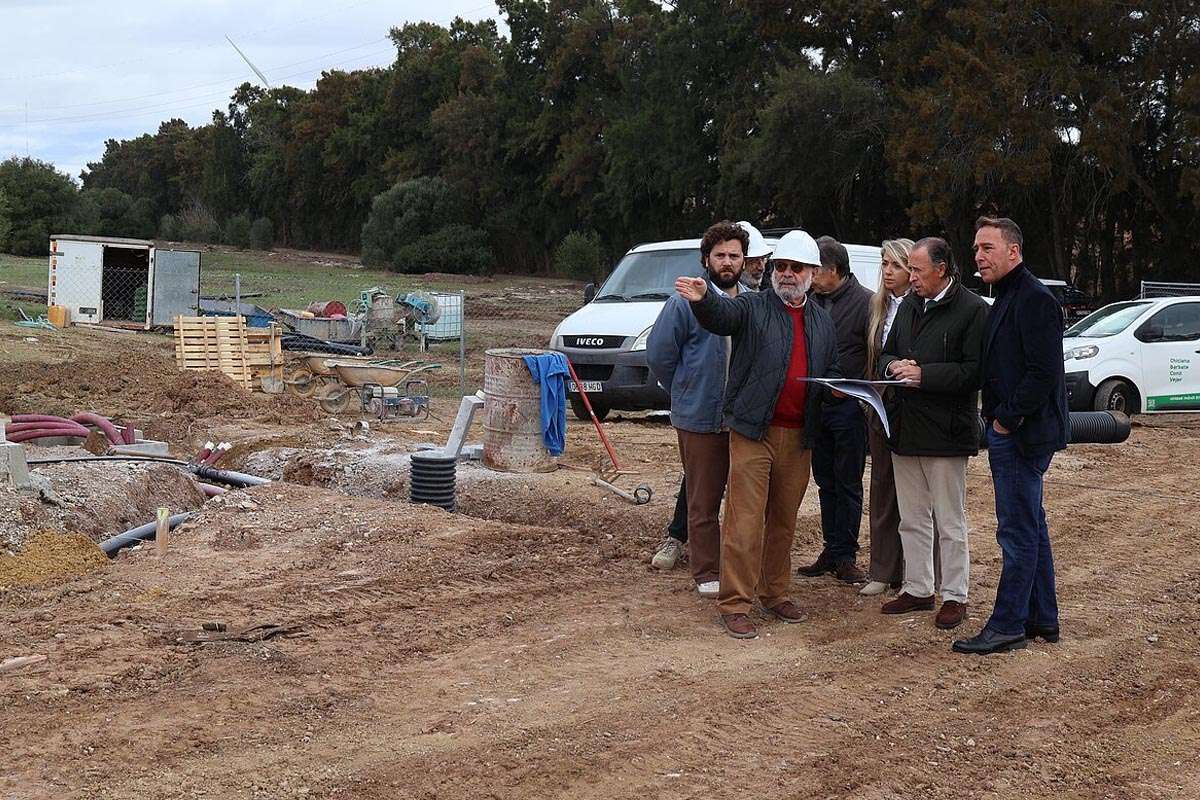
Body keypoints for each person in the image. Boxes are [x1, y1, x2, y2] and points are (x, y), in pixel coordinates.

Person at [674, 230, 841, 639]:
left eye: (795, 267)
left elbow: (830, 367)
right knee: (744, 522)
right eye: (780, 266)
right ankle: (735, 602)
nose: (786, 274)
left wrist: (837, 387)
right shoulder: (752, 306)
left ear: (812, 273)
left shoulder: (822, 320)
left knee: (783, 521)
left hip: (798, 437)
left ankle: (775, 592)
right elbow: (722, 317)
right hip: (754, 432)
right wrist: (705, 300)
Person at [953, 217, 1068, 655]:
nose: (978, 256)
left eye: (987, 248)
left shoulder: (1034, 299)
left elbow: (1043, 373)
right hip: (1016, 432)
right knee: (1031, 526)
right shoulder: (1007, 295)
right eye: (976, 249)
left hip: (1022, 436)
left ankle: (1007, 625)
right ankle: (1043, 618)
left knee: (1017, 532)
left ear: (1013, 251)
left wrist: (1006, 420)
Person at [878, 237, 988, 630]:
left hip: (946, 434)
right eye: (910, 270)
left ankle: (955, 595)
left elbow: (975, 372)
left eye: (917, 270)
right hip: (905, 429)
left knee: (949, 521)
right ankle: (918, 587)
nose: (911, 277)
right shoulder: (910, 304)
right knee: (911, 517)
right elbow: (886, 352)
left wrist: (925, 375)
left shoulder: (972, 310)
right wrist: (893, 366)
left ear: (941, 270)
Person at [647, 221, 748, 597]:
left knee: (743, 501)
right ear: (706, 259)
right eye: (720, 255)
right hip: (699, 418)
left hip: (742, 421)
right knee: (702, 500)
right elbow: (660, 355)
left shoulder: (752, 303)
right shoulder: (683, 303)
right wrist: (685, 390)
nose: (727, 262)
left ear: (744, 260)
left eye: (734, 255)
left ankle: (738, 568)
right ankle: (707, 572)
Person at [797, 236, 873, 584]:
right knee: (825, 481)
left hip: (849, 409)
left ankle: (846, 555)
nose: (810, 276)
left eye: (816, 270)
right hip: (817, 407)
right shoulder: (810, 301)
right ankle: (831, 549)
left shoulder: (866, 303)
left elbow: (874, 355)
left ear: (834, 270)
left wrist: (855, 390)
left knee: (848, 482)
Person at [859, 238, 920, 596]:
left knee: (914, 495)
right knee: (882, 487)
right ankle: (882, 570)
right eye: (884, 264)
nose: (888, 271)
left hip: (913, 409)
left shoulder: (921, 306)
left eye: (896, 265)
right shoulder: (877, 306)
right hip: (880, 405)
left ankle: (917, 573)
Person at [737, 221, 773, 291]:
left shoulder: (771, 291)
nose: (761, 268)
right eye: (753, 260)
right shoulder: (722, 294)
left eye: (763, 259)